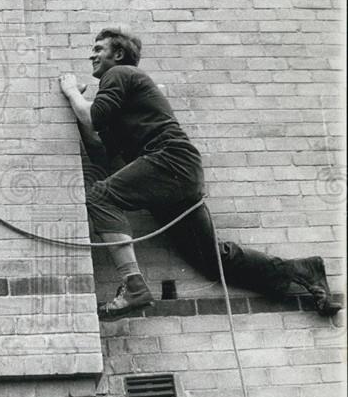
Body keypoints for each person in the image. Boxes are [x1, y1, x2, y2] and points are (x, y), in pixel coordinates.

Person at [60, 27, 342, 321]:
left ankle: (133, 287)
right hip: (173, 175)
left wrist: (70, 93)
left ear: (117, 54)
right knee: (211, 261)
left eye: (98, 49)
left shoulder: (120, 74)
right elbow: (99, 150)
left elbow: (92, 116)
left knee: (99, 196)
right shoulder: (121, 105)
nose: (91, 54)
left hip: (169, 161)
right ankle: (303, 271)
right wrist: (77, 109)